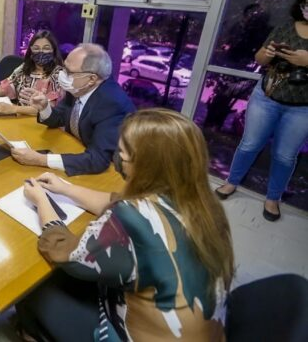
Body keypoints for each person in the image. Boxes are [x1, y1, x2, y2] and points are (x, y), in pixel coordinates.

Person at [17, 108, 234, 341]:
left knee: (32, 289)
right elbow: (117, 200)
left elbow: (65, 252)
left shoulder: (131, 218)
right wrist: (66, 189)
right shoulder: (204, 204)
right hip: (200, 330)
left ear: (147, 165)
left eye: (122, 153)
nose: (117, 160)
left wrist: (41, 201)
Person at [215, 0, 308, 221]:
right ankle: (231, 182)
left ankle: (273, 197)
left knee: (285, 156)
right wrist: (267, 54)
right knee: (249, 145)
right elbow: (259, 58)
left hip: (301, 108)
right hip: (266, 97)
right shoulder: (285, 27)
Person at [12, 43, 135, 175]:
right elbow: (59, 118)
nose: (63, 75)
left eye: (69, 72)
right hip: (77, 151)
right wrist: (44, 107)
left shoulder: (111, 103)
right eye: (64, 68)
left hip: (113, 173)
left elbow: (98, 160)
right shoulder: (78, 86)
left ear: (91, 79)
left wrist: (40, 159)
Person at [0, 30, 64, 116]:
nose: (41, 52)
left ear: (53, 50)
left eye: (46, 48)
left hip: (44, 123)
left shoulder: (58, 74)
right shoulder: (24, 68)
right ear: (31, 51)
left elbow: (50, 109)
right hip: (20, 120)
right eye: (36, 48)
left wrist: (14, 109)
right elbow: (5, 87)